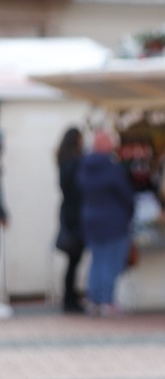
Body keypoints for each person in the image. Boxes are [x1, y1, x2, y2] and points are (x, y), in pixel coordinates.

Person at [78, 129, 135, 316]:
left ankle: (94, 299)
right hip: (113, 220)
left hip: (91, 219)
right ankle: (107, 300)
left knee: (97, 261)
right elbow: (126, 194)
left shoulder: (85, 167)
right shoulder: (111, 168)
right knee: (111, 262)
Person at [55, 127, 86, 313]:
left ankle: (70, 297)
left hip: (68, 213)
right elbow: (76, 190)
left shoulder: (63, 160)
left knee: (72, 260)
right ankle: (70, 298)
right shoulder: (74, 162)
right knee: (74, 259)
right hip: (74, 216)